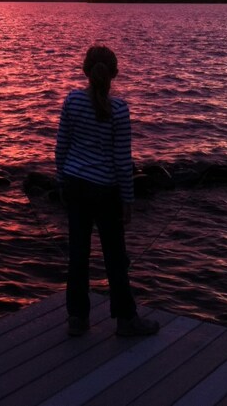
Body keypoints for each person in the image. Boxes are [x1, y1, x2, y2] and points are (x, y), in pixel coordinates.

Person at [55, 44, 159, 337]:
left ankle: (77, 318)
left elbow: (61, 146)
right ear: (115, 73)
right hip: (106, 191)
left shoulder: (72, 101)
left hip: (75, 184)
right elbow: (122, 160)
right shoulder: (120, 110)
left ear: (85, 71)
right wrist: (128, 199)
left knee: (78, 254)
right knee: (115, 257)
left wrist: (61, 180)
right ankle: (126, 320)